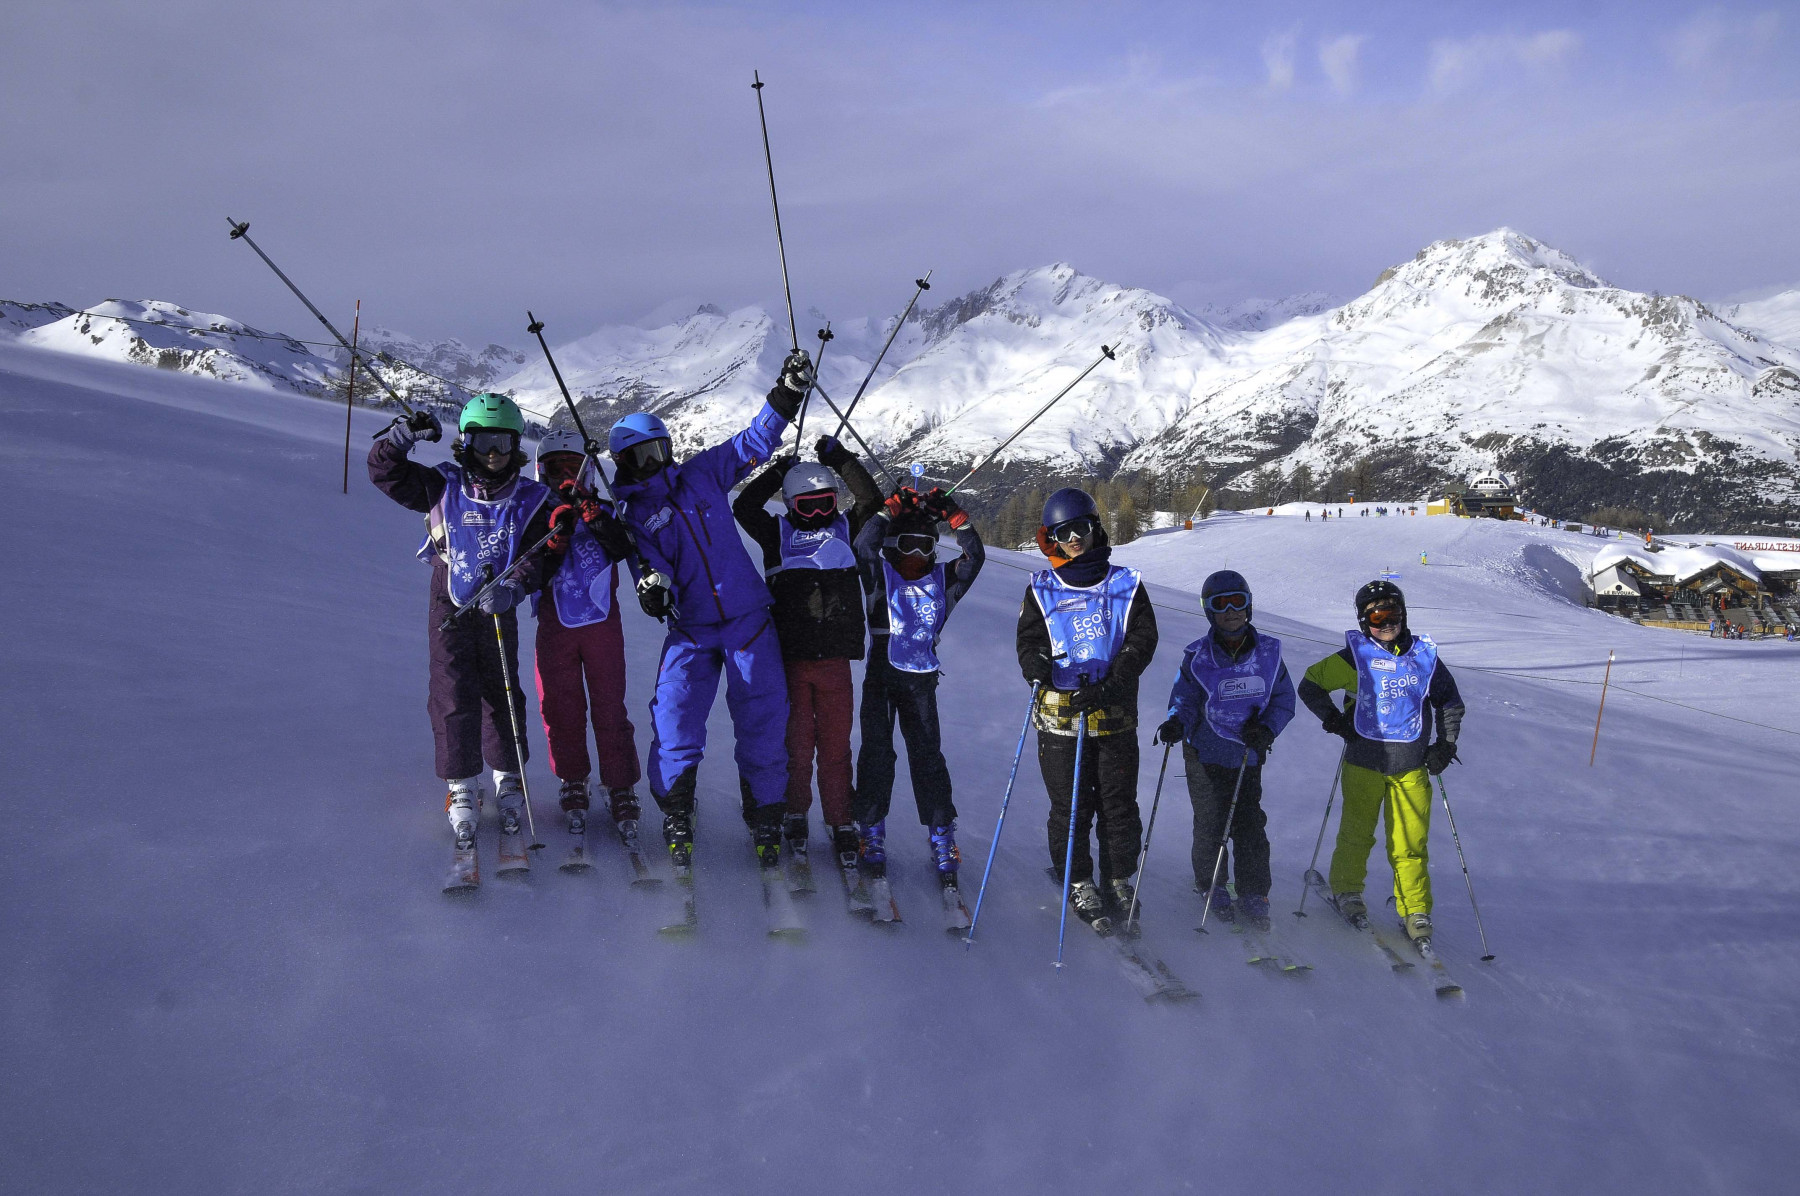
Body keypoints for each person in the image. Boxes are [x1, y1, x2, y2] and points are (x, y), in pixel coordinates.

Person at [606, 348, 814, 874]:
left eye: (658, 451)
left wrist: (786, 395)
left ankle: (765, 811)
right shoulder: (634, 516)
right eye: (640, 457)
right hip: (692, 627)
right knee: (674, 714)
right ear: (624, 462)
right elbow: (647, 566)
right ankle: (677, 807)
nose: (653, 464)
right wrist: (652, 587)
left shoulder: (700, 474)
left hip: (747, 618)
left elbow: (752, 444)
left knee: (763, 713)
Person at [368, 394, 558, 885]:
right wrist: (400, 439)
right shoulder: (443, 485)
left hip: (498, 601)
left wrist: (517, 586)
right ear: (465, 442)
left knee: (501, 688)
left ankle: (508, 775)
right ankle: (461, 782)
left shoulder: (530, 497)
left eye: (502, 442)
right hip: (449, 597)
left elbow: (541, 552)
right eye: (482, 441)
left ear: (516, 445)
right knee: (451, 691)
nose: (492, 453)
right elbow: (387, 474)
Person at [732, 434, 882, 876]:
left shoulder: (847, 530)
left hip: (835, 662)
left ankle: (840, 819)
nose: (817, 516)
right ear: (790, 505)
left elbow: (871, 500)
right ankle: (794, 812)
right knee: (796, 746)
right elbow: (744, 507)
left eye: (825, 505)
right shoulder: (776, 535)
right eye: (806, 507)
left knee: (835, 747)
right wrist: (778, 471)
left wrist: (842, 459)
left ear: (836, 502)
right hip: (792, 662)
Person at [1016, 487, 1158, 925]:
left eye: (1080, 528)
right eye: (1063, 532)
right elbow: (1029, 642)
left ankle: (1118, 877)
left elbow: (1142, 639)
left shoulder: (1125, 583)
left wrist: (1113, 683)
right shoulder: (1042, 588)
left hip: (1114, 715)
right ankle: (1078, 878)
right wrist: (1036, 665)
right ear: (1052, 538)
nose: (1074, 538)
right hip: (1060, 717)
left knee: (1118, 806)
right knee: (1071, 807)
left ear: (1095, 527)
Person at [1296, 580, 1465, 945]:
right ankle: (1347, 890)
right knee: (1356, 833)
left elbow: (1449, 702)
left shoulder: (1423, 657)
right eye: (1376, 617)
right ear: (1363, 621)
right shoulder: (1354, 658)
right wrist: (1334, 720)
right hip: (1363, 762)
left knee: (1409, 843)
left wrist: (1445, 746)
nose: (1387, 622)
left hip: (1411, 766)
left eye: (1393, 613)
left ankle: (1415, 909)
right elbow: (1310, 684)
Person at [851, 484, 984, 892]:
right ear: (893, 547)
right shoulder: (881, 576)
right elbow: (863, 547)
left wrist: (956, 518)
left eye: (926, 546)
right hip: (881, 674)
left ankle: (942, 833)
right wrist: (889, 510)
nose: (917, 555)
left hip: (921, 681)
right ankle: (871, 829)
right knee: (877, 752)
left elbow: (974, 558)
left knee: (927, 757)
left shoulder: (943, 580)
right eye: (907, 545)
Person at [1154, 570, 1294, 931]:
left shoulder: (1268, 653)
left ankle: (1253, 891)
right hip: (1205, 752)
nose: (1231, 611)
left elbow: (1283, 699)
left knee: (1250, 825)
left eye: (1238, 602)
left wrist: (1267, 729)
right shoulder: (1198, 657)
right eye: (1221, 604)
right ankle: (1212, 884)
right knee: (1212, 822)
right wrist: (1176, 722)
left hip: (1247, 752)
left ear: (1249, 606)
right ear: (1209, 611)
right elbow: (1185, 699)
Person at [529, 429, 642, 853]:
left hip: (601, 625)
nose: (564, 478)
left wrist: (593, 515)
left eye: (572, 469)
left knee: (609, 704)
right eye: (554, 469)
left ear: (588, 472)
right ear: (540, 472)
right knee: (559, 704)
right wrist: (554, 540)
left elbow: (622, 547)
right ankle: (572, 776)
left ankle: (620, 782)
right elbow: (529, 569)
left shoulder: (604, 509)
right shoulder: (535, 512)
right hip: (554, 623)